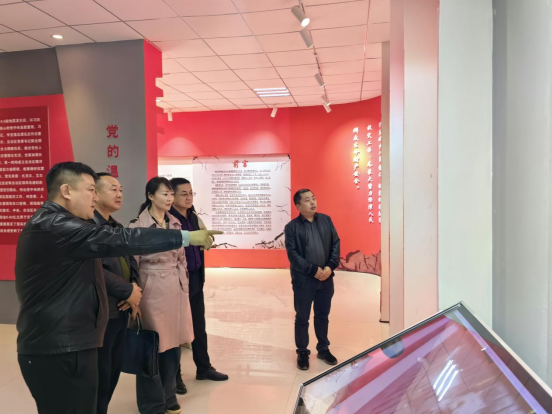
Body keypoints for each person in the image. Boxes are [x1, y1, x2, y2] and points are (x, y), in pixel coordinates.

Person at [15, 162, 221, 414]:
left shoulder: (60, 224)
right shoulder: (57, 226)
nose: (95, 197)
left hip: (71, 339)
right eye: (91, 190)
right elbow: (123, 240)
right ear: (66, 191)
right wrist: (186, 237)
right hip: (60, 346)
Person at [129, 177, 194, 414]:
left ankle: (169, 395)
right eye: (164, 194)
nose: (169, 199)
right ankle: (151, 403)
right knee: (153, 346)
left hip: (175, 289)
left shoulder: (174, 223)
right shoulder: (138, 226)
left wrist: (184, 283)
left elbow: (182, 259)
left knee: (173, 345)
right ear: (150, 196)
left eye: (170, 194)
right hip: (151, 290)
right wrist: (135, 295)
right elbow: (132, 264)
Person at [169, 178, 228, 395]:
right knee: (176, 330)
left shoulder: (193, 217)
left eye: (191, 193)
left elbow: (200, 243)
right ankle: (174, 376)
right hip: (176, 282)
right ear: (172, 196)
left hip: (195, 278)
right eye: (183, 193)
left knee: (198, 326)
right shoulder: (168, 219)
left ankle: (204, 368)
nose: (189, 197)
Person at [92, 172, 142, 414]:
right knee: (100, 372)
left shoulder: (116, 226)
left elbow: (131, 259)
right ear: (95, 193)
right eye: (113, 189)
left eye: (120, 189)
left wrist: (134, 286)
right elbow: (94, 270)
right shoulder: (88, 228)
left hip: (122, 308)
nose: (119, 193)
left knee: (113, 369)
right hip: (103, 311)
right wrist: (127, 290)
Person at [284, 189, 341, 371]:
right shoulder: (292, 227)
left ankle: (323, 349)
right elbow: (293, 255)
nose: (312, 202)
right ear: (298, 206)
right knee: (302, 317)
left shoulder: (326, 220)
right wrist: (313, 270)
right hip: (304, 281)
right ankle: (302, 352)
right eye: (307, 200)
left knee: (322, 315)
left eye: (313, 198)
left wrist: (329, 267)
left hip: (326, 279)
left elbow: (336, 244)